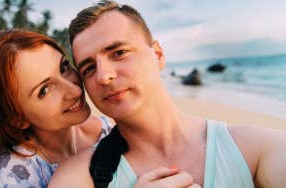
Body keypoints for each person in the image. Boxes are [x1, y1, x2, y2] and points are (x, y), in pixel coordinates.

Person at [49, 1, 286, 187]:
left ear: (158, 55)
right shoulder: (79, 177)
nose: (103, 76)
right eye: (89, 68)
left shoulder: (254, 148)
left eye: (119, 53)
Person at [0, 29, 113, 188]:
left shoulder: (105, 130)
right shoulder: (14, 178)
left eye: (64, 67)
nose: (76, 91)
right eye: (44, 90)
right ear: (16, 117)